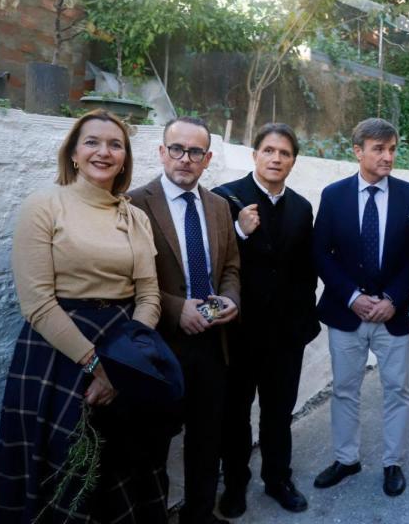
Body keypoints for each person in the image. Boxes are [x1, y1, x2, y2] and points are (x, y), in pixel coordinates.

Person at [0, 110, 166, 523]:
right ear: (72, 153)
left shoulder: (134, 216)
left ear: (125, 157)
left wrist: (125, 364)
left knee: (121, 472)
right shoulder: (43, 206)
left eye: (115, 144)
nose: (104, 152)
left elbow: (149, 295)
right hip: (58, 357)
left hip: (125, 348)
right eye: (92, 142)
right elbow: (37, 303)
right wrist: (95, 363)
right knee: (64, 476)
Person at [127, 117, 240, 524]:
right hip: (161, 342)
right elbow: (129, 278)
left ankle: (198, 515)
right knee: (154, 442)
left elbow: (230, 265)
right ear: (162, 152)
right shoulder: (135, 203)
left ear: (207, 158)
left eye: (195, 152)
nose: (185, 159)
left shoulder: (218, 206)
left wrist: (229, 298)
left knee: (207, 437)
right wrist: (178, 308)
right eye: (177, 148)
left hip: (213, 342)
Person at [312, 118, 409, 498]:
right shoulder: (333, 195)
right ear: (357, 151)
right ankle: (347, 459)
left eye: (392, 149)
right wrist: (352, 297)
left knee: (398, 391)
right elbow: (321, 254)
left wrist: (393, 299)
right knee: (345, 390)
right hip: (346, 314)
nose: (388, 156)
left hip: (392, 317)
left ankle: (392, 462)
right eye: (379, 149)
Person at [214, 123, 320, 517]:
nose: (277, 158)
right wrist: (240, 232)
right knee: (235, 413)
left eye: (285, 153)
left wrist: (303, 321)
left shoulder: (302, 207)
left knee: (279, 413)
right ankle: (236, 483)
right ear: (254, 154)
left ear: (293, 160)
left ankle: (278, 479)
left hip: (286, 335)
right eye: (269, 151)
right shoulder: (225, 200)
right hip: (239, 332)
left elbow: (306, 270)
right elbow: (214, 263)